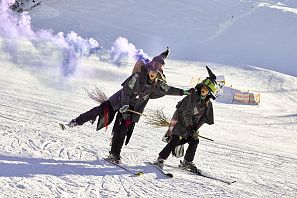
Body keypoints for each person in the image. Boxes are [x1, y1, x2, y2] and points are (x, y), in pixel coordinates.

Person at [66, 48, 192, 163]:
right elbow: (126, 92)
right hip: (118, 102)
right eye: (152, 70)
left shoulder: (158, 84)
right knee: (100, 110)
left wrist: (184, 92)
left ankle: (114, 155)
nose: (153, 73)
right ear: (148, 69)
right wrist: (124, 106)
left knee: (122, 130)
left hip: (132, 110)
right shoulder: (136, 77)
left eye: (156, 72)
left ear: (159, 73)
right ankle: (76, 121)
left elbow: (169, 89)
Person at [154, 66, 217, 172]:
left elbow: (204, 118)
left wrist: (195, 129)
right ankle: (160, 159)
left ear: (209, 92)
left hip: (190, 126)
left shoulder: (207, 103)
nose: (204, 89)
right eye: (203, 87)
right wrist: (189, 127)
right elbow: (186, 113)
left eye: (207, 88)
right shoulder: (192, 96)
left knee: (194, 141)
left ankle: (187, 162)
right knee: (174, 141)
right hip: (179, 122)